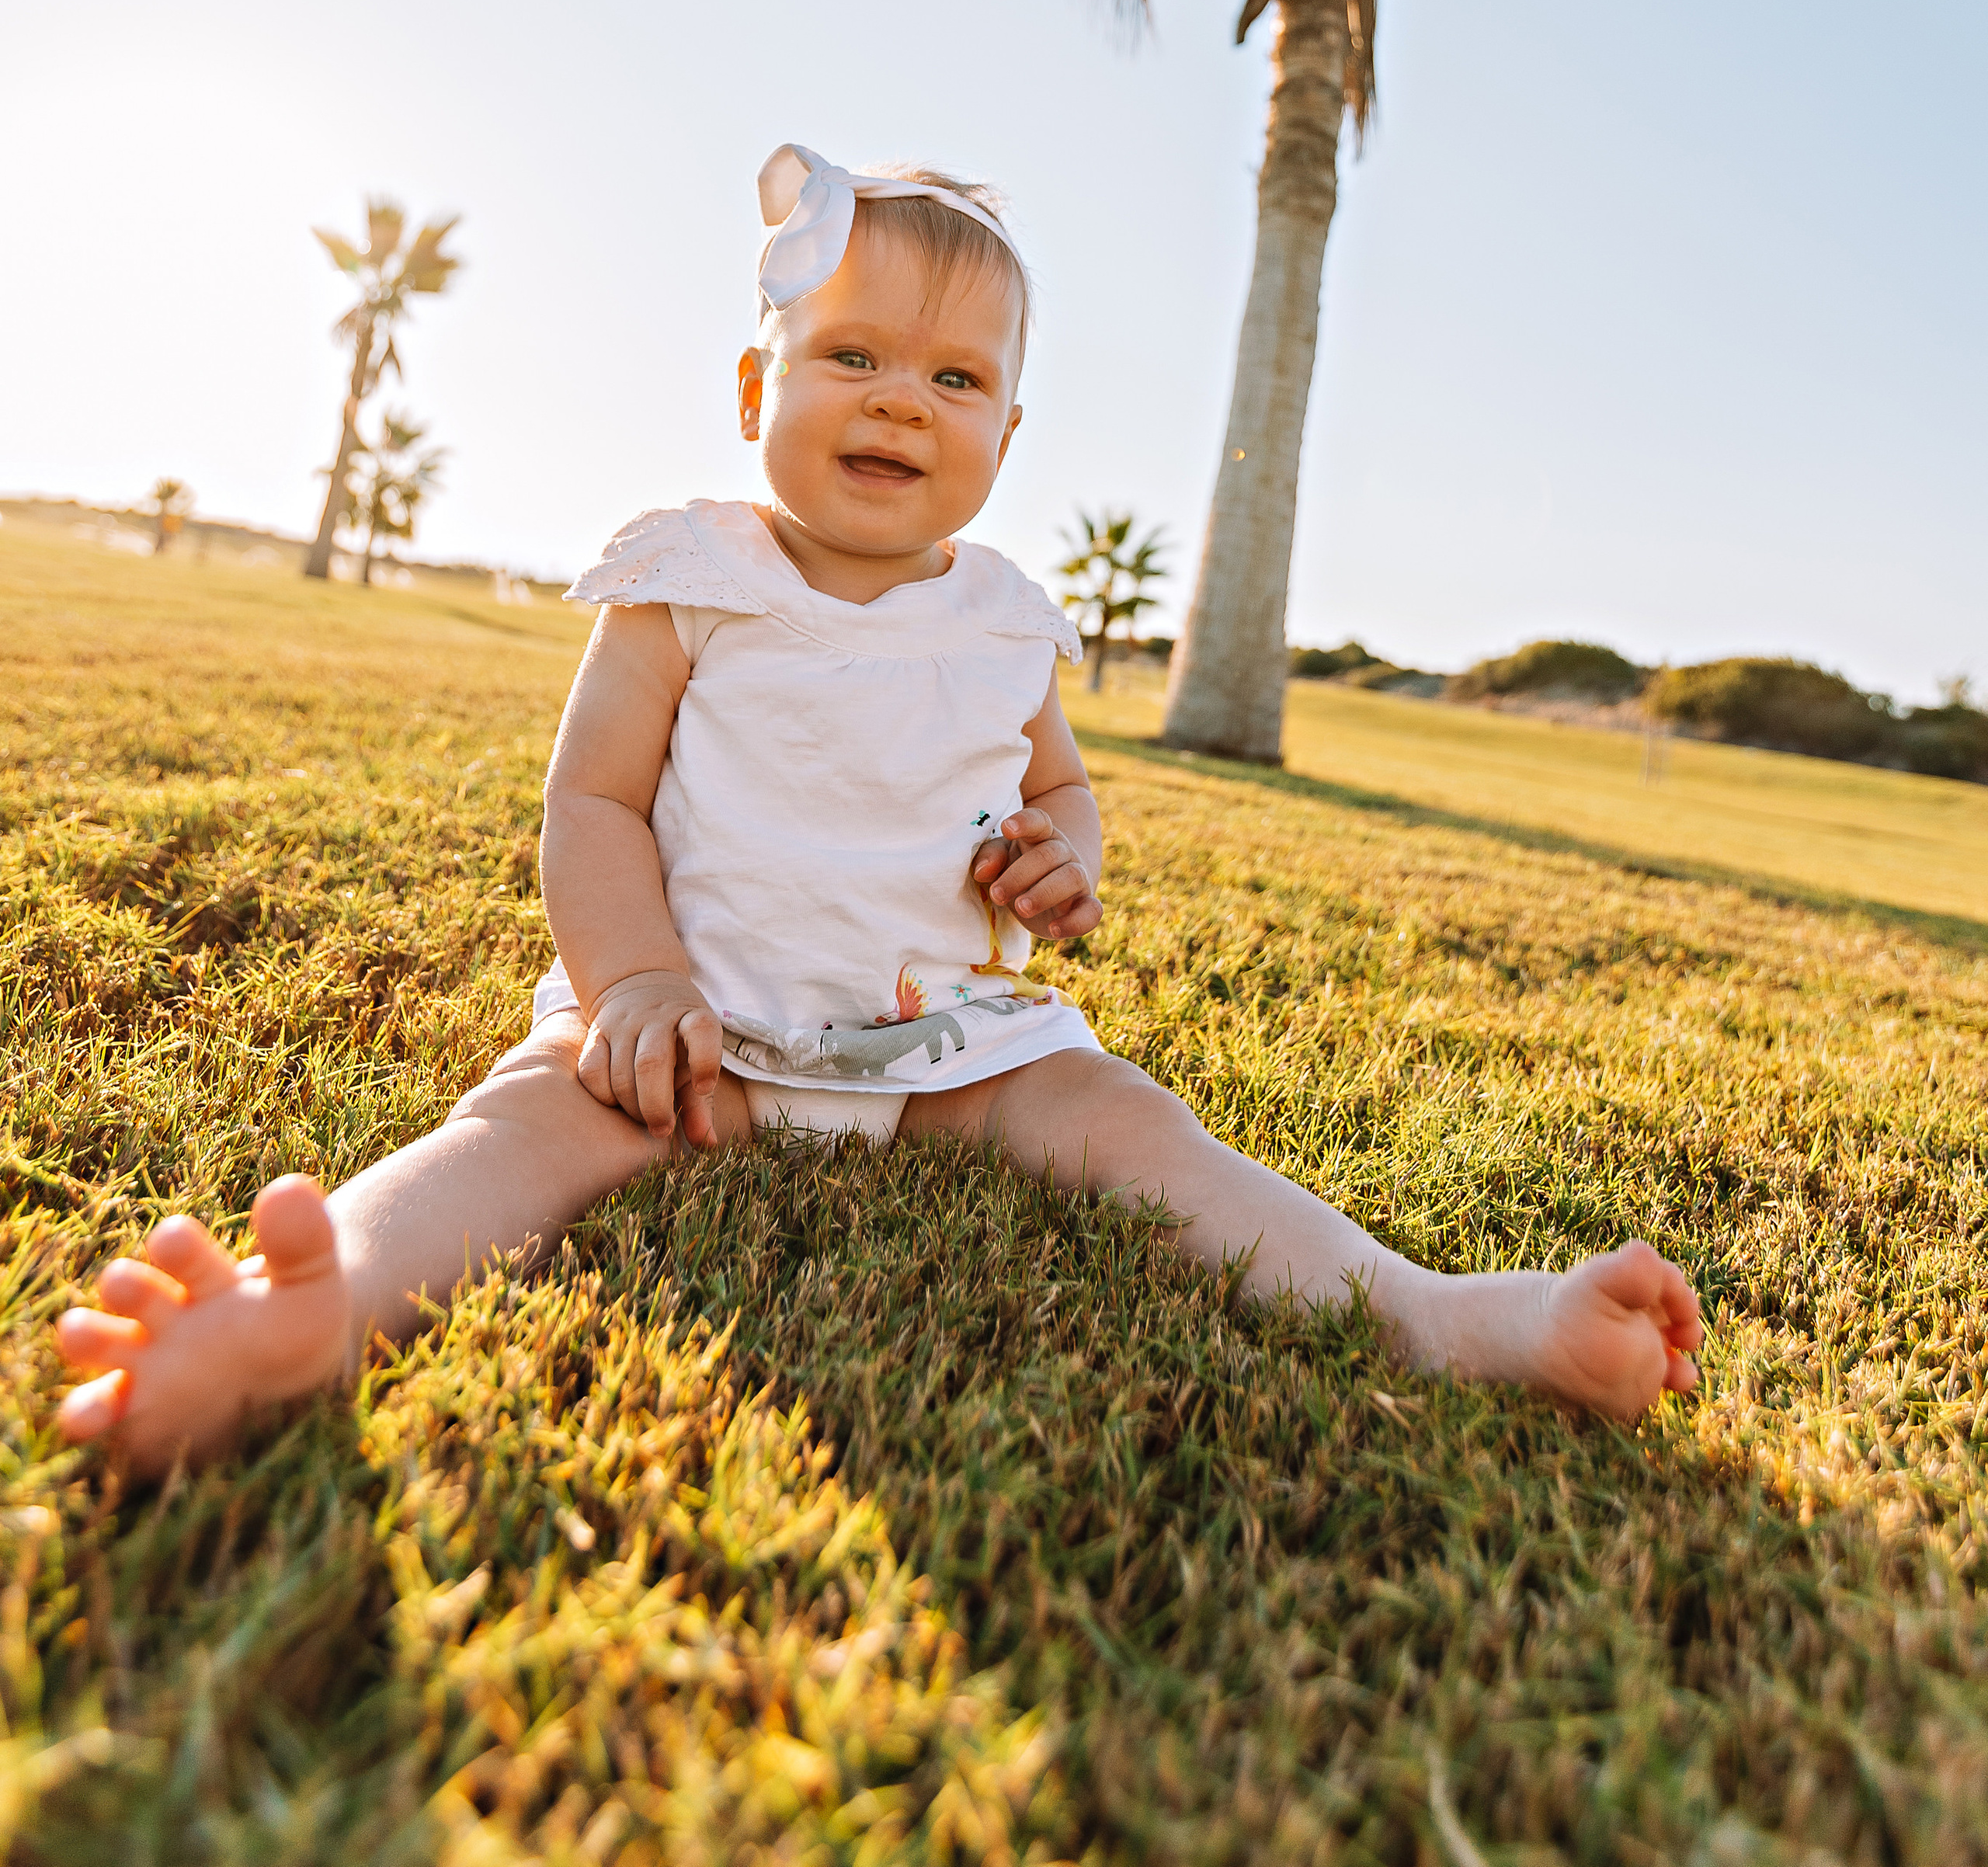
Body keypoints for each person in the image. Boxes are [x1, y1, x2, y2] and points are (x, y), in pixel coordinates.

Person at [56, 145, 1701, 1473]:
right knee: (505, 1142)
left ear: (1005, 428)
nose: (901, 399)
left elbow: (1052, 785)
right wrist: (632, 984)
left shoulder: (998, 618)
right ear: (756, 388)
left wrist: (1062, 862)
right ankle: (316, 1301)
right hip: (675, 1047)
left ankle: (1429, 1315)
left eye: (953, 376)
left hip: (937, 1052)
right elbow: (594, 802)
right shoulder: (687, 579)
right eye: (851, 354)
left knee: (1136, 1129)